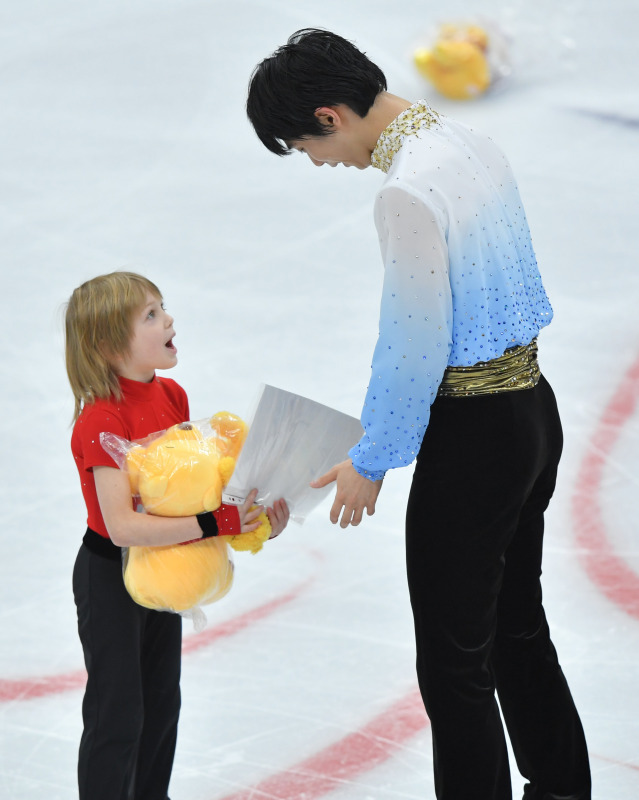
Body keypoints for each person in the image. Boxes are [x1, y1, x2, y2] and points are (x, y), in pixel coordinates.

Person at [246, 28, 591, 800]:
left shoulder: (406, 190)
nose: (316, 162)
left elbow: (413, 341)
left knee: (452, 664)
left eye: (304, 146)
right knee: (515, 627)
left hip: (475, 441)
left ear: (330, 116)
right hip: (532, 414)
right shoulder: (470, 143)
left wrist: (373, 456)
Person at [65, 271, 289, 800]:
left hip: (166, 565)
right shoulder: (101, 418)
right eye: (151, 315)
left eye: (161, 307)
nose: (169, 319)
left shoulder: (172, 395)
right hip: (111, 576)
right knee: (118, 713)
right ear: (108, 345)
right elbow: (122, 526)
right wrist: (215, 524)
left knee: (161, 705)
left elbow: (187, 496)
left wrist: (253, 521)